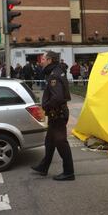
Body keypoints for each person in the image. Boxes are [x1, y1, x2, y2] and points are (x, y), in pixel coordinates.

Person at [32, 51, 75, 181]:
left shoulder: (54, 75)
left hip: (57, 114)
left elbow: (57, 97)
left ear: (50, 60)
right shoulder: (56, 71)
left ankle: (69, 172)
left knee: (61, 142)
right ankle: (43, 167)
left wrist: (45, 105)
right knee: (49, 142)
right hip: (56, 113)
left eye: (43, 59)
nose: (41, 61)